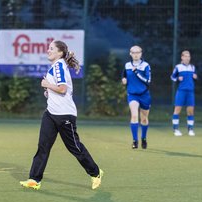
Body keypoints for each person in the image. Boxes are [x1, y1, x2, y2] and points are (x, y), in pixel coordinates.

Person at [20, 40, 103, 190]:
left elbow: (63, 89)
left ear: (60, 53)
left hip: (65, 115)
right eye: (48, 48)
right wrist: (48, 92)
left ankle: (95, 172)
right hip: (51, 113)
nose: (48, 50)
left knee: (75, 148)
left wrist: (47, 85)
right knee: (43, 147)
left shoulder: (59, 67)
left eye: (51, 48)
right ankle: (34, 179)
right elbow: (57, 90)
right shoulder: (54, 67)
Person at [121, 45, 151, 149]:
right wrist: (124, 80)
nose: (136, 54)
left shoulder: (146, 66)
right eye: (133, 52)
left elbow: (148, 81)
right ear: (130, 54)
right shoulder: (127, 65)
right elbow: (124, 75)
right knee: (134, 116)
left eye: (138, 52)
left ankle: (143, 138)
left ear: (141, 53)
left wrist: (136, 72)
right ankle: (135, 140)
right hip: (132, 94)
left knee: (144, 118)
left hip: (144, 95)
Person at [171, 50, 198, 136]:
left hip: (190, 92)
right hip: (181, 91)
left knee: (190, 111)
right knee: (177, 110)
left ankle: (190, 129)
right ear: (182, 57)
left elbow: (195, 77)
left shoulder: (192, 67)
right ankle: (175, 129)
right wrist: (178, 78)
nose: (187, 58)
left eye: (188, 56)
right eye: (185, 56)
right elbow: (172, 77)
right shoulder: (178, 67)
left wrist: (195, 76)